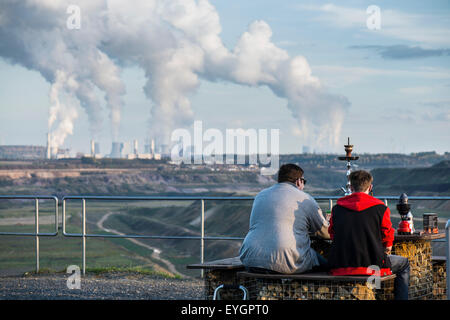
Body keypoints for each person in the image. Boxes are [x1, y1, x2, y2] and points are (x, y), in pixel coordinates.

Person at [327, 170, 410, 300]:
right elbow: (388, 236)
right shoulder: (381, 208)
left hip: (341, 265)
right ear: (370, 187)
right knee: (404, 263)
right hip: (372, 266)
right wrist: (386, 248)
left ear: (351, 187)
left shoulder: (337, 208)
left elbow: (332, 234)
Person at [239, 163, 330, 274]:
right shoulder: (305, 199)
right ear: (299, 181)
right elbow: (325, 232)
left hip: (250, 259)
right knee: (328, 265)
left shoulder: (260, 195)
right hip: (286, 261)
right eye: (303, 182)